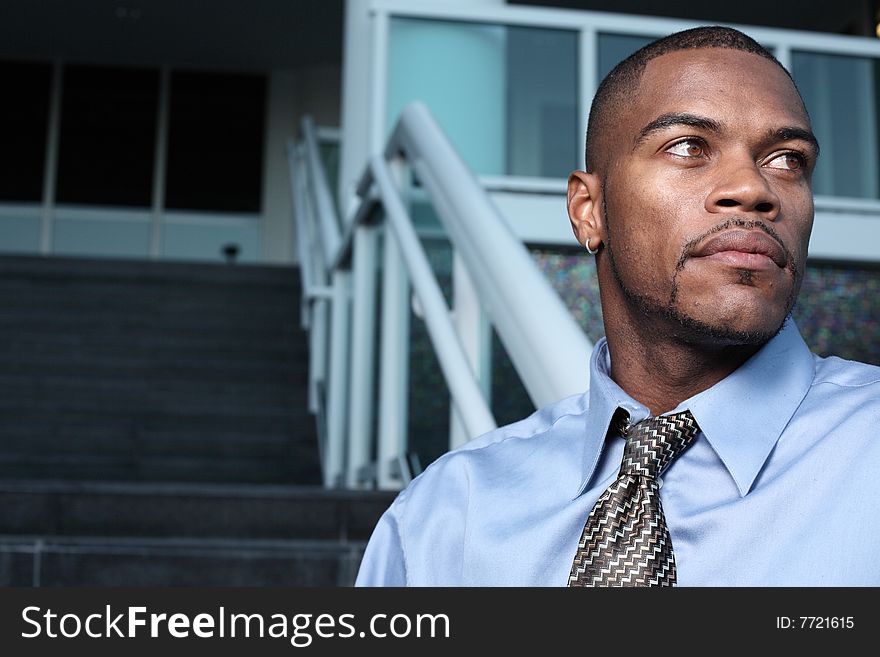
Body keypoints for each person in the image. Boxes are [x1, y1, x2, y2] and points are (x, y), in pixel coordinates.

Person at [355, 26, 880, 586]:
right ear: (589, 210)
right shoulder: (443, 519)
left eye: (787, 159)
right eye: (687, 146)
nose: (754, 188)